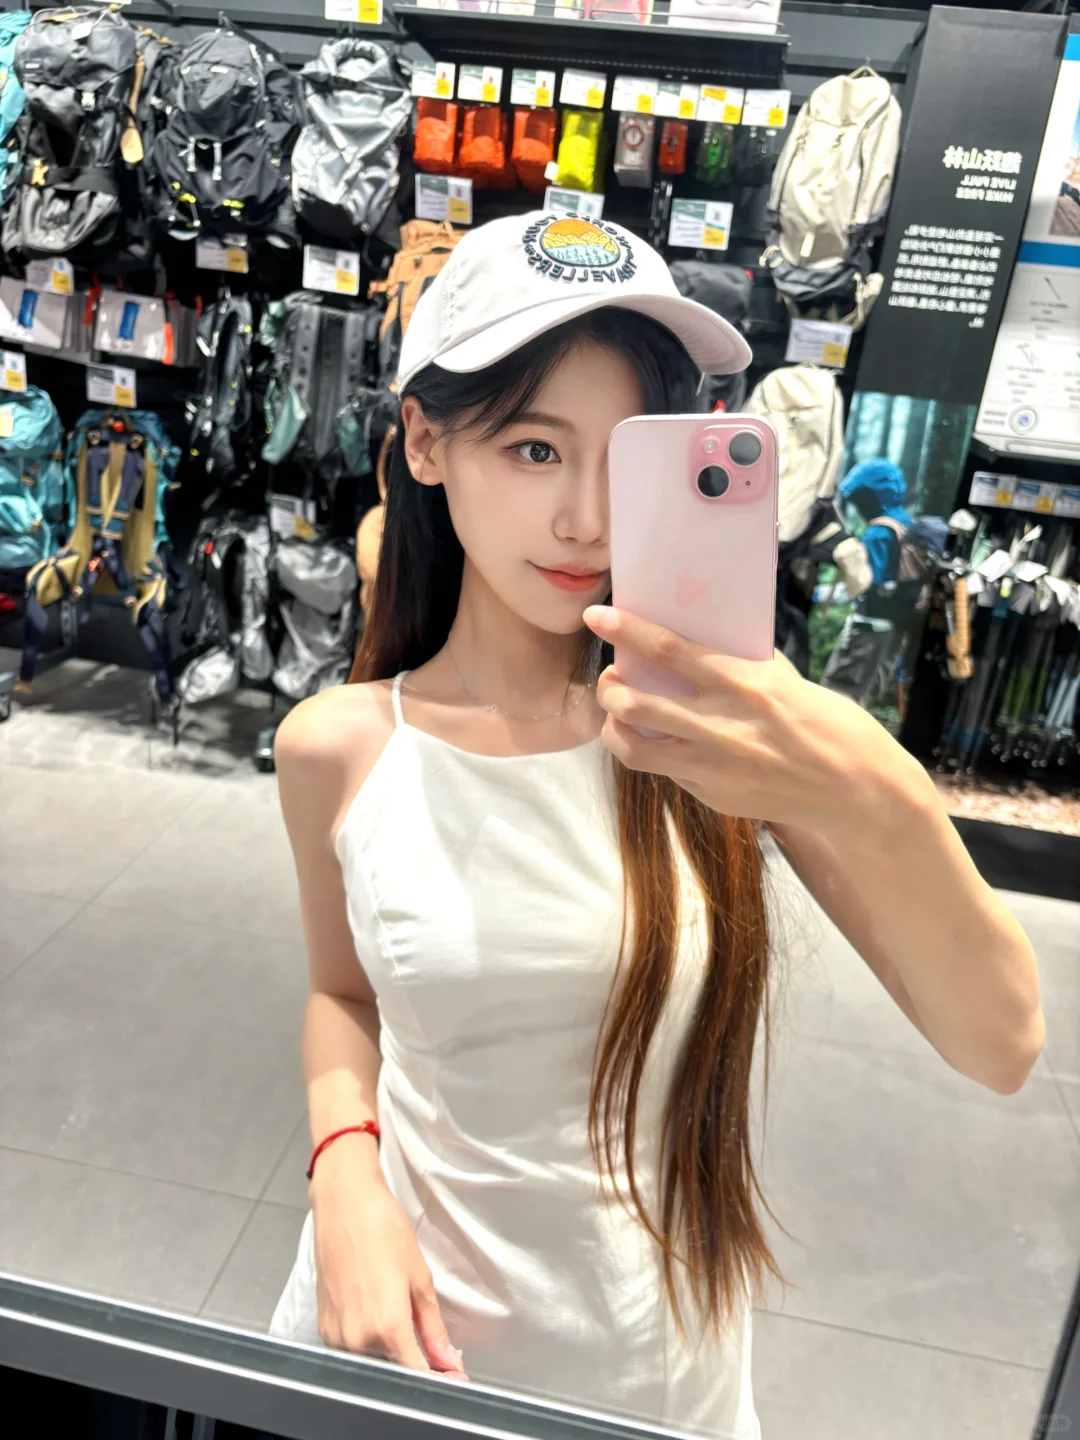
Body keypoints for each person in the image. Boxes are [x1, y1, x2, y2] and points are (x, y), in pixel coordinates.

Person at [267, 212, 1044, 1439]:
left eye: (626, 459)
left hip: (639, 1373)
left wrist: (866, 776)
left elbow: (1001, 1040)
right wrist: (345, 1174)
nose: (586, 519)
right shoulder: (338, 748)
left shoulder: (717, 751)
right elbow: (341, 993)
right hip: (390, 1338)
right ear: (424, 441)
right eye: (533, 448)